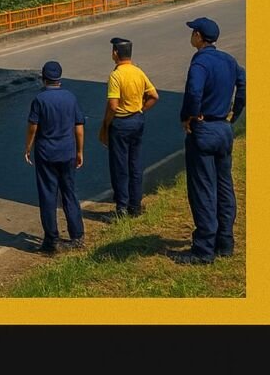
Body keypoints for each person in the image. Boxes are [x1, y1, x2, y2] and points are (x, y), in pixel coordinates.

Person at [169, 17, 246, 265]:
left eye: (193, 32)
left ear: (199, 37)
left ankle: (203, 249)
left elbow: (193, 91)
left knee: (202, 189)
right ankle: (225, 241)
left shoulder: (200, 62)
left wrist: (189, 116)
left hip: (204, 129)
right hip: (223, 128)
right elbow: (242, 84)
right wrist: (236, 113)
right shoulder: (229, 60)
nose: (191, 36)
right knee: (224, 186)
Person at [24, 61, 86, 255]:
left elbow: (33, 126)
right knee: (69, 192)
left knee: (48, 195)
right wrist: (79, 151)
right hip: (67, 151)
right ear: (60, 78)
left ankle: (52, 239)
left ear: (44, 78)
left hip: (46, 153)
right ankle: (77, 235)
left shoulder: (40, 99)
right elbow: (79, 127)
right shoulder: (70, 98)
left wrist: (28, 147)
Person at [99, 37, 158, 218]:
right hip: (137, 120)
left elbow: (113, 105)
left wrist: (106, 124)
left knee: (119, 167)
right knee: (135, 164)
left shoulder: (116, 75)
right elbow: (154, 96)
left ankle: (122, 208)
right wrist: (140, 109)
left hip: (121, 123)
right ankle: (135, 205)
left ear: (115, 53)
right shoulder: (138, 72)